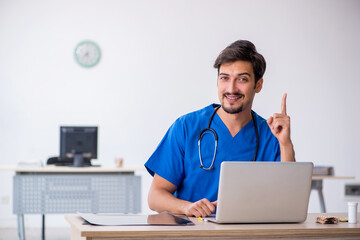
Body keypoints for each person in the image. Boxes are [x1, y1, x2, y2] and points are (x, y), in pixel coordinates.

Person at [144, 40, 295, 218]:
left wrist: (285, 143)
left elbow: (289, 200)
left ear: (258, 85)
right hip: (192, 233)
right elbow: (155, 197)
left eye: (242, 79)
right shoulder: (186, 127)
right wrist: (187, 208)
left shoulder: (271, 134)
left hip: (249, 233)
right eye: (224, 78)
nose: (231, 89)